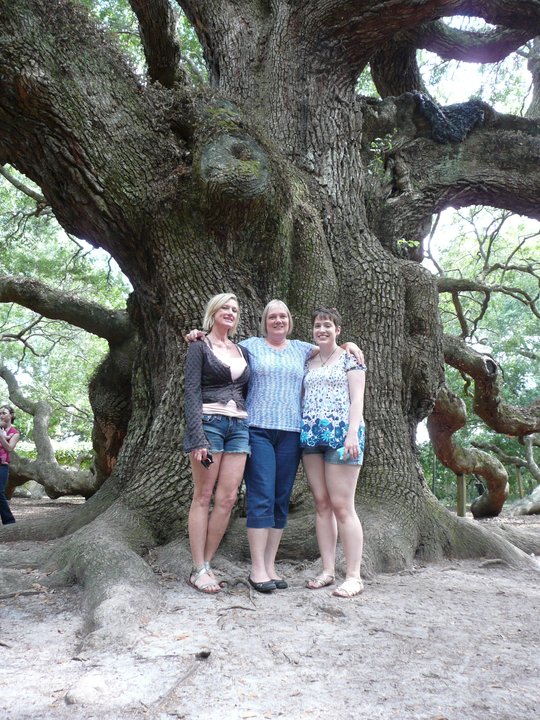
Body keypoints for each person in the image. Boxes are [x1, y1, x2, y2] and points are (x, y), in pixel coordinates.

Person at [186, 299, 363, 594]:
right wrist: (197, 335)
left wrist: (350, 345)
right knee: (261, 496)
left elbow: (330, 346)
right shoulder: (249, 347)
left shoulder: (302, 349)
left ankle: (270, 566)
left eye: (283, 316)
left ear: (289, 321)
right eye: (272, 317)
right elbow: (219, 350)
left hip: (292, 433)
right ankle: (257, 568)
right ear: (264, 321)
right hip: (257, 430)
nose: (278, 321)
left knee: (281, 498)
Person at [183, 293, 251, 594]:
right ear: (213, 311)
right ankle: (198, 568)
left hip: (239, 428)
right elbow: (191, 392)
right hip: (209, 428)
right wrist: (197, 436)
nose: (230, 312)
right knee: (204, 495)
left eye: (234, 309)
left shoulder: (242, 350)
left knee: (228, 498)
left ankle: (207, 564)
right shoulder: (199, 346)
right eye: (225, 307)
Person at [300, 308, 366, 598]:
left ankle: (354, 576)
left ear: (338, 330)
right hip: (311, 437)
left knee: (342, 506)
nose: (322, 329)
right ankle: (327, 571)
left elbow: (357, 399)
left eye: (327, 325)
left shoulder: (350, 358)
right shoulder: (308, 360)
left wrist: (352, 433)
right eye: (317, 325)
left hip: (342, 436)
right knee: (322, 504)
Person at [0, 405, 20, 525]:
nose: (1, 415)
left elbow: (9, 448)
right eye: (0, 413)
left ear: (11, 415)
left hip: (2, 466)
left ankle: (9, 522)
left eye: (4, 413)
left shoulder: (14, 433)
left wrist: (1, 437)